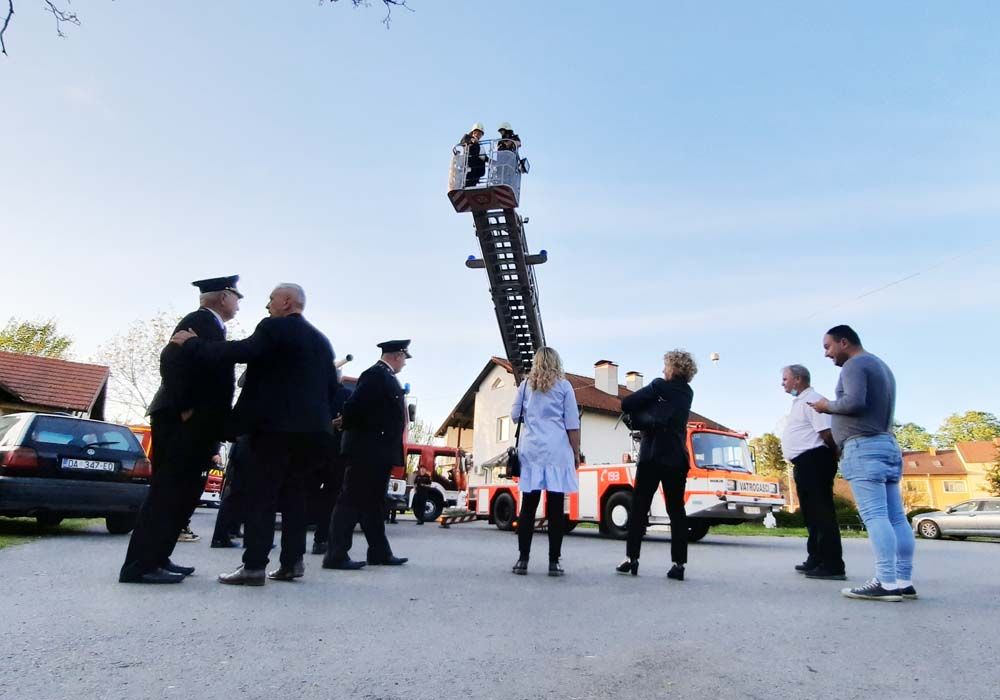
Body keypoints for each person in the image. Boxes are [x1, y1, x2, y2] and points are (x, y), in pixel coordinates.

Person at [172, 283, 340, 586]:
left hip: (272, 429)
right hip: (312, 434)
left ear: (286, 302)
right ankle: (292, 562)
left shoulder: (274, 327)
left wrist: (194, 344)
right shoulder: (322, 341)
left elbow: (241, 351)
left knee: (261, 494)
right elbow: (331, 389)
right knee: (296, 496)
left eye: (271, 299)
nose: (267, 305)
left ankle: (253, 566)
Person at [119, 275, 242, 585]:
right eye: (236, 297)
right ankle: (140, 566)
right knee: (168, 491)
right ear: (223, 296)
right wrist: (185, 407)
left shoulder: (213, 325)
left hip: (198, 422)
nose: (239, 304)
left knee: (184, 494)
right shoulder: (198, 321)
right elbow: (170, 358)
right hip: (182, 421)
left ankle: (159, 557)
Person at [809, 325, 915, 602]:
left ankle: (885, 581)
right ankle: (903, 580)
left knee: (875, 515)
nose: (826, 354)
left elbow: (854, 403)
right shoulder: (881, 365)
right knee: (896, 517)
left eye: (828, 347)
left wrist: (826, 406)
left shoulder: (854, 365)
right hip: (886, 444)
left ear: (844, 342)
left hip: (864, 446)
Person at [323, 340, 412, 570]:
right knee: (350, 500)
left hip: (378, 450)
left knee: (374, 504)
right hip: (367, 450)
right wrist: (347, 423)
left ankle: (379, 552)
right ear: (396, 355)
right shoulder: (375, 375)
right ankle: (336, 554)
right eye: (404, 357)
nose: (404, 362)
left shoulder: (386, 376)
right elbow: (355, 405)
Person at [616, 350, 697, 581]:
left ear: (672, 368)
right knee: (676, 510)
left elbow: (626, 403)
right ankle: (678, 564)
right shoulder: (688, 393)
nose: (663, 369)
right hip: (676, 458)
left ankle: (632, 558)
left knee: (639, 507)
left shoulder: (659, 386)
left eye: (665, 366)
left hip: (652, 456)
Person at [510, 346, 581, 577]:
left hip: (532, 451)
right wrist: (576, 453)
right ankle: (554, 562)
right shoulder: (564, 387)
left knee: (529, 506)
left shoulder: (525, 386)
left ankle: (522, 560)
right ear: (557, 363)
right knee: (556, 507)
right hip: (556, 450)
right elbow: (572, 424)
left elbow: (515, 416)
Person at [779, 364, 845, 580]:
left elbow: (826, 433)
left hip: (816, 460)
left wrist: (834, 455)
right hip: (804, 463)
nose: (782, 383)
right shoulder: (799, 402)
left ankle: (833, 564)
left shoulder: (813, 400)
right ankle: (815, 557)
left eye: (785, 379)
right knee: (810, 513)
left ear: (798, 379)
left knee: (821, 512)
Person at [460, 122, 488, 187]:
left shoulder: (480, 145)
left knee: (473, 184)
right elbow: (463, 141)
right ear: (473, 132)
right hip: (470, 167)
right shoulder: (467, 137)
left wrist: (492, 161)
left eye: (480, 134)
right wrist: (471, 140)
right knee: (468, 184)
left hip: (477, 171)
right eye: (476, 133)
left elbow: (484, 157)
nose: (478, 135)